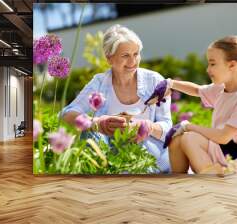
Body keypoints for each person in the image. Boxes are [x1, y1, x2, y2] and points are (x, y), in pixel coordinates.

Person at [61, 24, 172, 173]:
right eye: (125, 55)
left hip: (148, 156)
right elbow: (66, 115)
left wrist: (147, 127)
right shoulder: (99, 83)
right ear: (109, 58)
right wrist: (97, 123)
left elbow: (167, 126)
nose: (133, 61)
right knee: (88, 131)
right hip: (109, 154)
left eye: (136, 54)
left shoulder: (154, 81)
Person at [148, 36, 237, 175]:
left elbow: (224, 137)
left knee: (189, 137)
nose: (208, 69)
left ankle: (212, 179)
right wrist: (170, 83)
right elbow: (197, 90)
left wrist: (188, 126)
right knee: (176, 140)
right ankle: (180, 182)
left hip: (235, 156)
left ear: (232, 65)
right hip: (220, 149)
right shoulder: (220, 89)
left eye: (213, 64)